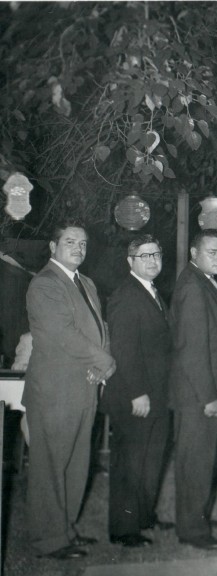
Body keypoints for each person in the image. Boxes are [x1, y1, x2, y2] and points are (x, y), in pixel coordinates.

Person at [24, 220, 115, 559]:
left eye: (83, 243)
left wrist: (97, 365)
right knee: (52, 465)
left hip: (85, 385)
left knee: (77, 463)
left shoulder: (86, 282)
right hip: (55, 390)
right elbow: (62, 335)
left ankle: (66, 530)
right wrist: (105, 361)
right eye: (70, 242)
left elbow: (97, 329)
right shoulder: (45, 284)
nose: (79, 248)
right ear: (53, 246)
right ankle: (48, 539)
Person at [168, 229, 217, 550]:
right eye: (213, 252)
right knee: (195, 464)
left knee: (202, 461)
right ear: (194, 254)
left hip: (206, 393)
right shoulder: (193, 287)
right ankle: (193, 531)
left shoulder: (205, 282)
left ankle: (197, 518)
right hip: (199, 396)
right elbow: (192, 350)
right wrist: (209, 396)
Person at [100, 234, 172, 548]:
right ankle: (123, 529)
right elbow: (124, 350)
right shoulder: (126, 295)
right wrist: (137, 392)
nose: (153, 260)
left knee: (150, 460)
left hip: (157, 394)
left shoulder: (153, 292)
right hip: (135, 396)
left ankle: (143, 517)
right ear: (130, 261)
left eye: (156, 254)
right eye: (145, 256)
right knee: (130, 464)